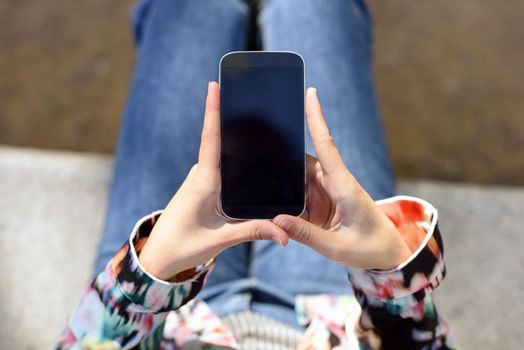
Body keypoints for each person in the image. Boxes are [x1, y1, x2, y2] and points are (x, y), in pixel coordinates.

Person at [57, 0, 456, 349]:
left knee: (192, 9)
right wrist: (389, 265)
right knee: (316, 8)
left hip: (172, 319)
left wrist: (152, 273)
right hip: (333, 308)